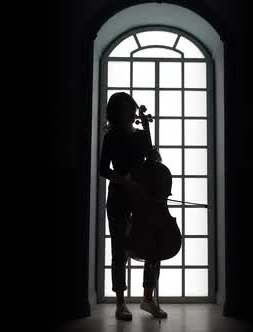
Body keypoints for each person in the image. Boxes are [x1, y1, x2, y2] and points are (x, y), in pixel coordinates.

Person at [99, 92, 167, 320]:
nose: (132, 112)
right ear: (116, 113)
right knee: (119, 249)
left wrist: (155, 157)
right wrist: (123, 179)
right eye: (126, 108)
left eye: (132, 107)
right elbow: (103, 169)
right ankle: (120, 303)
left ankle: (147, 299)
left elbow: (150, 164)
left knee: (152, 245)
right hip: (119, 196)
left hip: (142, 198)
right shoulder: (111, 138)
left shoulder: (141, 136)